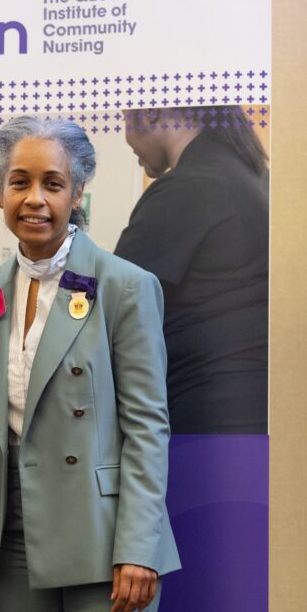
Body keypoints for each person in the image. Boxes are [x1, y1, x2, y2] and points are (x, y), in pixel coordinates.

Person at [0, 116, 180, 612]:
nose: (34, 199)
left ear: (78, 191)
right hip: (12, 541)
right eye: (19, 182)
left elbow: (147, 429)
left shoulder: (124, 286)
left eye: (52, 183)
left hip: (103, 537)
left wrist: (138, 546)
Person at [114, 106, 269, 434]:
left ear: (152, 114)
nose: (127, 136)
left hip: (203, 426)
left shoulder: (187, 188)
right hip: (259, 421)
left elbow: (108, 309)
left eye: (126, 117)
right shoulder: (258, 181)